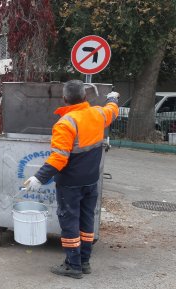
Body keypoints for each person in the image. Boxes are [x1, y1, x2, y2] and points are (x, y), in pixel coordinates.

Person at [23, 80, 119, 279]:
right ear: (85, 97)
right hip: (92, 180)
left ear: (64, 99)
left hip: (70, 184)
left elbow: (59, 158)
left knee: (70, 222)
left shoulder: (66, 123)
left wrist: (38, 178)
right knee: (87, 219)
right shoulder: (99, 113)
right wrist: (112, 98)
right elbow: (112, 110)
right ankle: (84, 262)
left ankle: (73, 266)